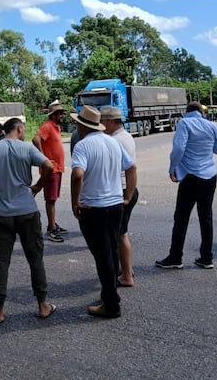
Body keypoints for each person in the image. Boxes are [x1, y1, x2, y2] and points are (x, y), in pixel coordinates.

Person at [0, 117, 57, 323]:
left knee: (1, 261)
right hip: (27, 210)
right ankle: (43, 304)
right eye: (23, 129)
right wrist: (38, 186)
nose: (24, 132)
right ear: (18, 129)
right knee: (35, 258)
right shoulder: (26, 148)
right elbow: (49, 167)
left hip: (1, 213)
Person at [71, 106, 136, 319]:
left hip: (94, 208)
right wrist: (128, 194)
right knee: (111, 252)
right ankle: (110, 296)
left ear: (82, 125)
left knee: (103, 256)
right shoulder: (113, 142)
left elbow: (78, 174)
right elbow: (131, 166)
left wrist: (75, 202)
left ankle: (111, 303)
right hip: (115, 205)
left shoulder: (83, 146)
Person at [157, 101, 217, 270]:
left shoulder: (184, 123)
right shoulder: (212, 125)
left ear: (186, 111)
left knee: (181, 218)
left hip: (191, 176)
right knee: (206, 217)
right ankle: (207, 258)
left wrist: (172, 168)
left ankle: (175, 257)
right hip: (210, 176)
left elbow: (178, 148)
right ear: (201, 112)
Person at [100, 106, 138, 287]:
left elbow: (129, 169)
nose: (100, 125)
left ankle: (126, 275)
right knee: (121, 232)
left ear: (109, 121)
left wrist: (127, 195)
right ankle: (127, 268)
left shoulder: (114, 140)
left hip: (121, 190)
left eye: (102, 122)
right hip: (128, 190)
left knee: (120, 235)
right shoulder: (127, 136)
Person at [32, 100, 68, 242]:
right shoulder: (47, 126)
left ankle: (52, 224)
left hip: (57, 168)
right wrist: (43, 157)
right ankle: (52, 228)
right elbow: (36, 139)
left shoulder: (56, 127)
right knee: (51, 199)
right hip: (51, 169)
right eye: (59, 113)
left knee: (53, 198)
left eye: (62, 113)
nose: (62, 116)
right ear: (53, 115)